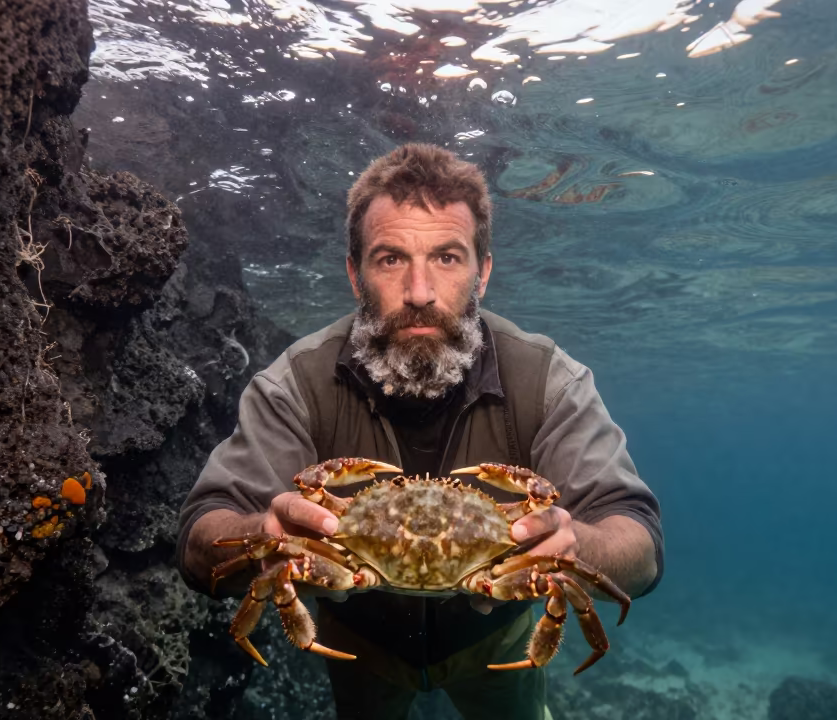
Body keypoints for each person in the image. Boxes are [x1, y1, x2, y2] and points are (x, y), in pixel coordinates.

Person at [177, 143, 663, 719]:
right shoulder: (295, 383)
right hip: (360, 645)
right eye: (389, 259)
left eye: (448, 258)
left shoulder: (548, 380)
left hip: (497, 641)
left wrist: (577, 546)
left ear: (483, 270)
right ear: (355, 275)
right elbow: (201, 537)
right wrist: (264, 531)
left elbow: (638, 540)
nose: (420, 292)